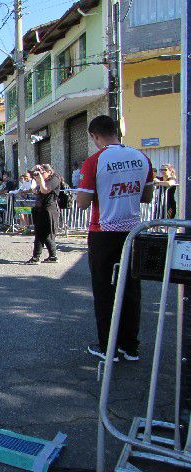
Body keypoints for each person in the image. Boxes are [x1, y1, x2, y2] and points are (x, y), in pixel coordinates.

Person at [76, 115, 154, 362]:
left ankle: (107, 346)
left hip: (103, 233)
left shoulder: (94, 161)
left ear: (95, 136)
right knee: (131, 289)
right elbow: (147, 197)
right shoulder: (142, 158)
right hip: (133, 231)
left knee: (104, 289)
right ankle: (130, 346)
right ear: (116, 132)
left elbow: (82, 202)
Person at [25, 164, 61, 264]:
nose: (41, 174)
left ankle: (36, 257)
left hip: (48, 210)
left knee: (42, 234)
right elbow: (36, 190)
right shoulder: (42, 180)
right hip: (40, 209)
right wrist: (35, 170)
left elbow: (45, 190)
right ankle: (53, 256)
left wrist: (40, 179)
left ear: (49, 172)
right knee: (43, 234)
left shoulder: (54, 179)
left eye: (43, 172)